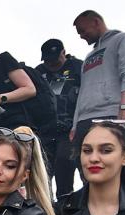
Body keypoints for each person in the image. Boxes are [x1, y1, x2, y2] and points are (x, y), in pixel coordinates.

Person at [70, 11, 125, 151]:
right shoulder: (89, 56)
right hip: (84, 120)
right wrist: (75, 124)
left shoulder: (123, 39)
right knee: (85, 163)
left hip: (112, 115)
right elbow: (83, 90)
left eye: (83, 30)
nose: (81, 36)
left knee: (114, 161)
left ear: (96, 22)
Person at [36, 39, 83, 197]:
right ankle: (43, 206)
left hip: (69, 130)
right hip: (45, 131)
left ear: (64, 53)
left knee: (64, 165)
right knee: (43, 171)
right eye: (47, 60)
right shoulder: (39, 71)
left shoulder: (78, 67)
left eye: (55, 60)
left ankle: (65, 205)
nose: (51, 64)